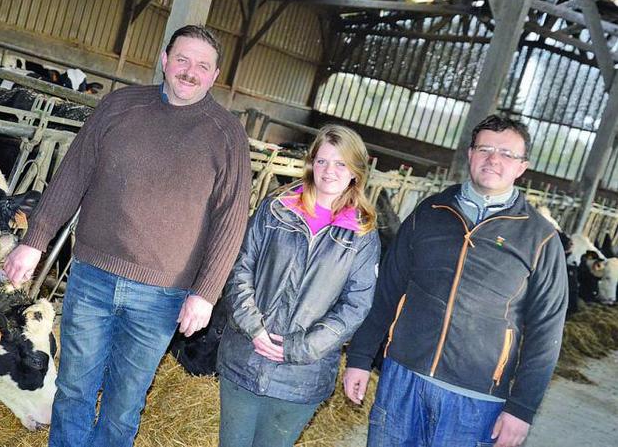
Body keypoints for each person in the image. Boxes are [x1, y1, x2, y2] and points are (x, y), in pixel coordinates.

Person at [2, 25, 251, 447]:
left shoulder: (227, 136)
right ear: (164, 58)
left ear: (215, 75)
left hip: (163, 294)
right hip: (92, 275)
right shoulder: (119, 106)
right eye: (183, 60)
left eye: (202, 66)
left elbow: (230, 221)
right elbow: (72, 174)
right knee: (74, 390)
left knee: (124, 403)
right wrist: (33, 241)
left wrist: (206, 293)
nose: (190, 72)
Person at [343, 115, 568, 447]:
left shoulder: (540, 239)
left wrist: (521, 409)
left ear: (522, 167)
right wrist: (360, 357)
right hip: (402, 379)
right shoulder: (430, 212)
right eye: (485, 148)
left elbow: (546, 333)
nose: (493, 159)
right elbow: (387, 290)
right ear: (470, 154)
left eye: (507, 153)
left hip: (477, 401)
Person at [217, 124, 381, 447]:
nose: (329, 171)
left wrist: (297, 347)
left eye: (340, 163)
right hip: (245, 358)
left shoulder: (362, 235)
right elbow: (240, 266)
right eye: (321, 161)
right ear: (311, 164)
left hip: (302, 377)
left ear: (355, 172)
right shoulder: (276, 208)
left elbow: (355, 307)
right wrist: (254, 328)